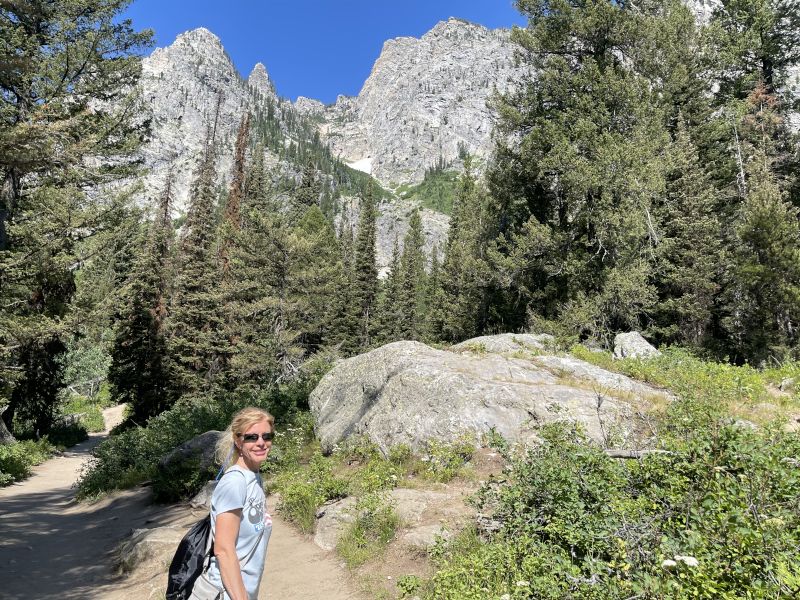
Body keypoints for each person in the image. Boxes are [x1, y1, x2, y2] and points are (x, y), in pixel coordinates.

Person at [191, 407, 274, 600]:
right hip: (224, 593)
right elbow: (223, 549)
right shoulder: (235, 483)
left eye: (266, 436)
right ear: (238, 441)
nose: (261, 443)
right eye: (252, 437)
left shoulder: (255, 477)